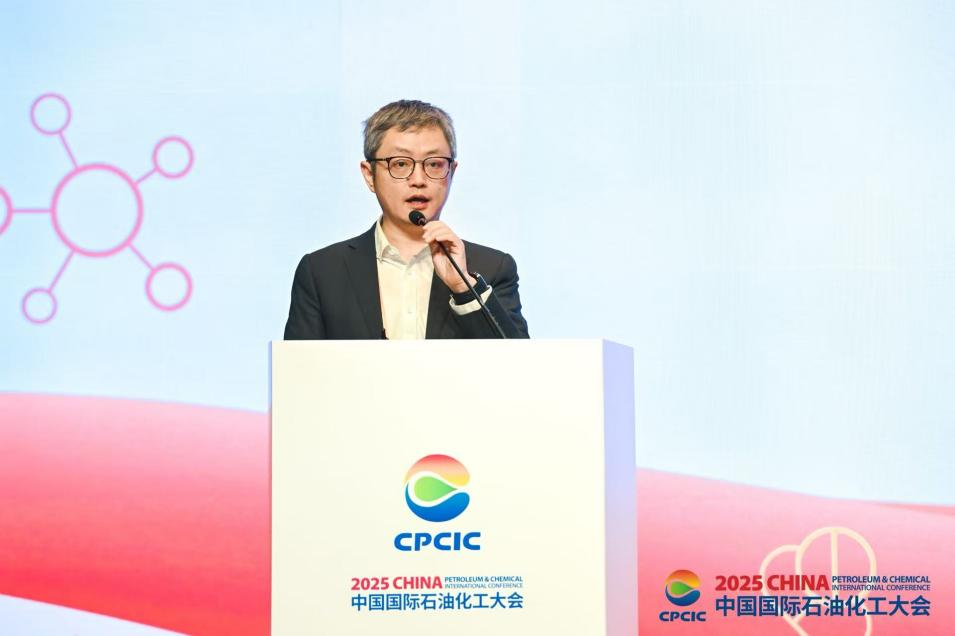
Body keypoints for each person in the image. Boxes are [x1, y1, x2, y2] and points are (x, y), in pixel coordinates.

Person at [284, 100, 529, 340]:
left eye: (434, 164)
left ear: (451, 172)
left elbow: (518, 363)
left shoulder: (492, 269)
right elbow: (297, 365)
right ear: (369, 175)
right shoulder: (322, 272)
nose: (419, 180)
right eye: (400, 164)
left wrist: (464, 288)